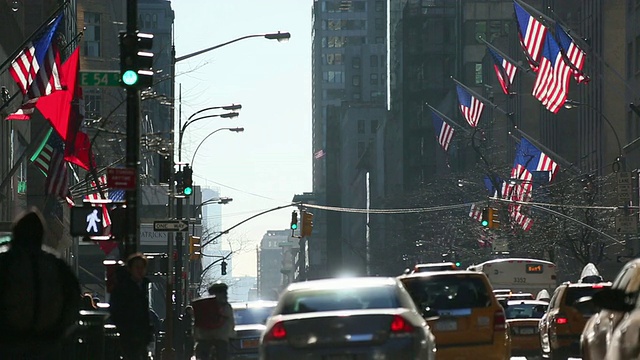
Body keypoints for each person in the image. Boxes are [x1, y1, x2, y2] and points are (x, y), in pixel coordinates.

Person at [0, 207, 81, 359]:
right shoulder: (57, 264)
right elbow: (73, 299)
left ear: (15, 232)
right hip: (47, 344)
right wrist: (59, 331)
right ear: (42, 234)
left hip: (8, 343)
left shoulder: (5, 261)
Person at [109, 252, 153, 360]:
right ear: (130, 269)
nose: (140, 270)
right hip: (128, 335)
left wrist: (147, 331)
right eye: (137, 267)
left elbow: (144, 311)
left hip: (141, 335)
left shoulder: (143, 286)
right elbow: (116, 310)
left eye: (142, 267)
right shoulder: (122, 288)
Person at [194, 282, 235, 360]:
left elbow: (196, 322)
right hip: (221, 339)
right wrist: (232, 335)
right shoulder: (225, 306)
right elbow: (230, 323)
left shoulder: (202, 305)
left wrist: (197, 336)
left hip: (204, 339)